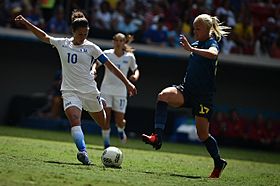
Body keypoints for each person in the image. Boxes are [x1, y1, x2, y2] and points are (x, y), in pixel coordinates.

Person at [14, 13, 137, 165]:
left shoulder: (92, 48)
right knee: (74, 120)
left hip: (90, 92)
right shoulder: (62, 43)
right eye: (80, 34)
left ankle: (101, 102)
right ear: (73, 31)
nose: (83, 37)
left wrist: (127, 83)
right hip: (70, 91)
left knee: (103, 122)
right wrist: (26, 22)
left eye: (85, 34)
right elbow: (43, 36)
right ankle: (83, 152)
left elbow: (110, 67)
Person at [142, 14, 230, 178]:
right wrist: (191, 48)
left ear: (208, 30)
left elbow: (213, 54)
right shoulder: (195, 44)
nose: (194, 31)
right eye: (194, 28)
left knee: (202, 135)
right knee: (163, 96)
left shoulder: (211, 43)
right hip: (186, 90)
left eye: (198, 29)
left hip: (203, 97)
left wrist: (192, 49)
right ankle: (157, 137)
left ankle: (218, 162)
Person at [92, 33, 140, 145]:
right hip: (106, 90)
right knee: (105, 118)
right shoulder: (107, 54)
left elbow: (136, 70)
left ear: (124, 42)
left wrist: (135, 76)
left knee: (119, 121)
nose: (118, 43)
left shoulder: (129, 57)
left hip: (121, 92)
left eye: (121, 41)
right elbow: (96, 64)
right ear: (113, 42)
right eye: (116, 40)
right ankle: (106, 143)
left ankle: (121, 130)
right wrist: (94, 70)